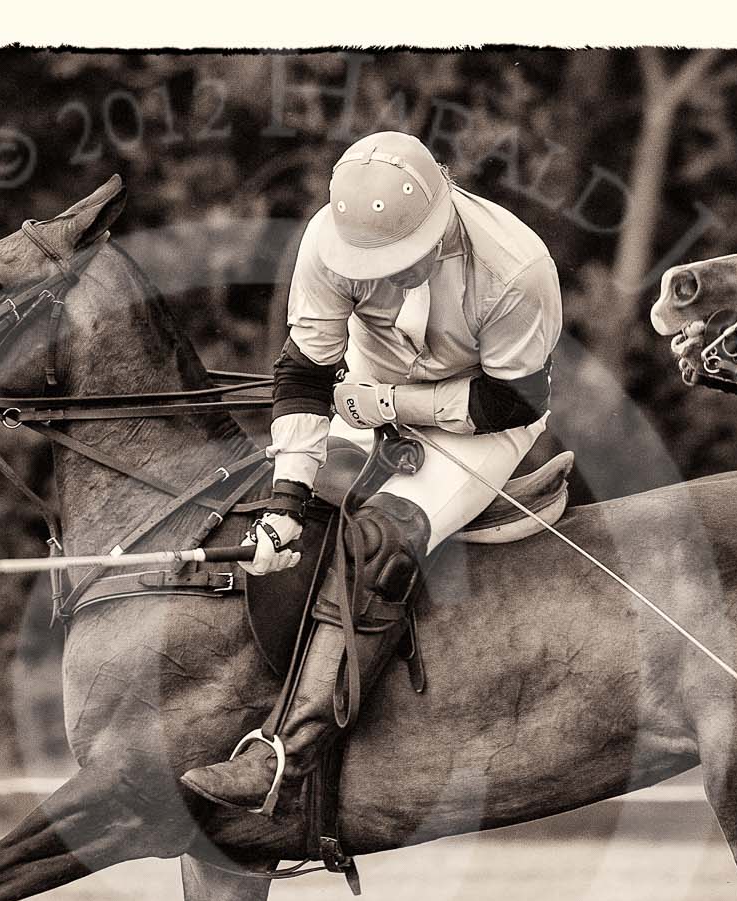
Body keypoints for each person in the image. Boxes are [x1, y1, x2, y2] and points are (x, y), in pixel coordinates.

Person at [180, 130, 563, 812]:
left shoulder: (516, 267)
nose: (381, 272)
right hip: (360, 389)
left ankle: (285, 757)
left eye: (400, 259)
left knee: (384, 535)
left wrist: (395, 402)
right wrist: (285, 500)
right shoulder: (330, 240)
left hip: (482, 418)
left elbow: (517, 399)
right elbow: (303, 372)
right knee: (279, 514)